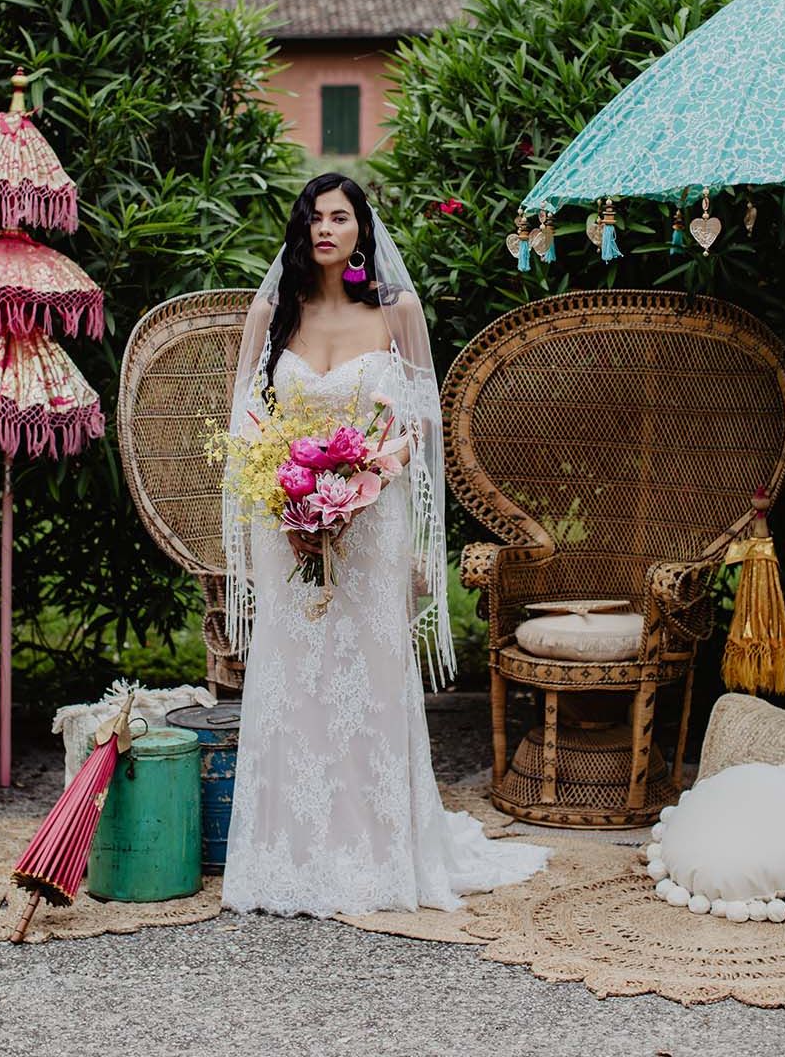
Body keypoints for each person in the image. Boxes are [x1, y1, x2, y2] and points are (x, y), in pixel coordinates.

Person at [220, 173, 549, 917]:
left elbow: (423, 422)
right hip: (287, 520)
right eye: (314, 217)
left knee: (367, 677)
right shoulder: (273, 313)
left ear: (363, 231)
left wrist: (369, 469)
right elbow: (246, 425)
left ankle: (376, 850)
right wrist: (290, 491)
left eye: (340, 217)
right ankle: (288, 851)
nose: (325, 228)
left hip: (371, 523)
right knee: (294, 677)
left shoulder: (396, 310)